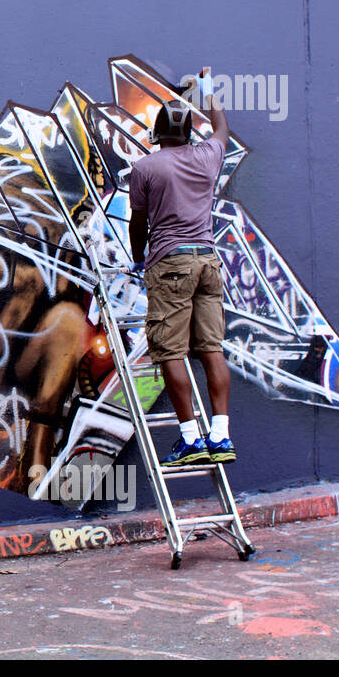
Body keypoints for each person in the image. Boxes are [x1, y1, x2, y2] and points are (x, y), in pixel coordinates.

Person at [127, 69, 234, 467]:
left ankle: (190, 437)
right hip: (208, 261)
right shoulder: (208, 155)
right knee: (210, 348)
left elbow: (139, 222)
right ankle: (220, 436)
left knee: (170, 350)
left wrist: (138, 259)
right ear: (189, 133)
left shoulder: (147, 168)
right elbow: (221, 125)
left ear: (157, 133)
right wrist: (205, 87)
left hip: (170, 265)